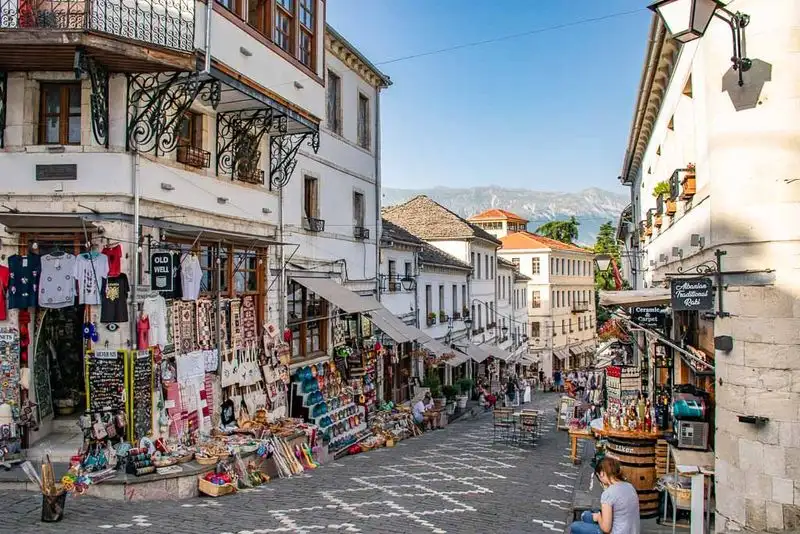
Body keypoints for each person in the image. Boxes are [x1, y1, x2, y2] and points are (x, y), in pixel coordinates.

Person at [568, 457, 640, 534]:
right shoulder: (630, 486)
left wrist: (599, 517)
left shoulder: (608, 493)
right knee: (587, 515)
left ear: (602, 473)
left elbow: (606, 529)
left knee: (575, 526)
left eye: (598, 476)